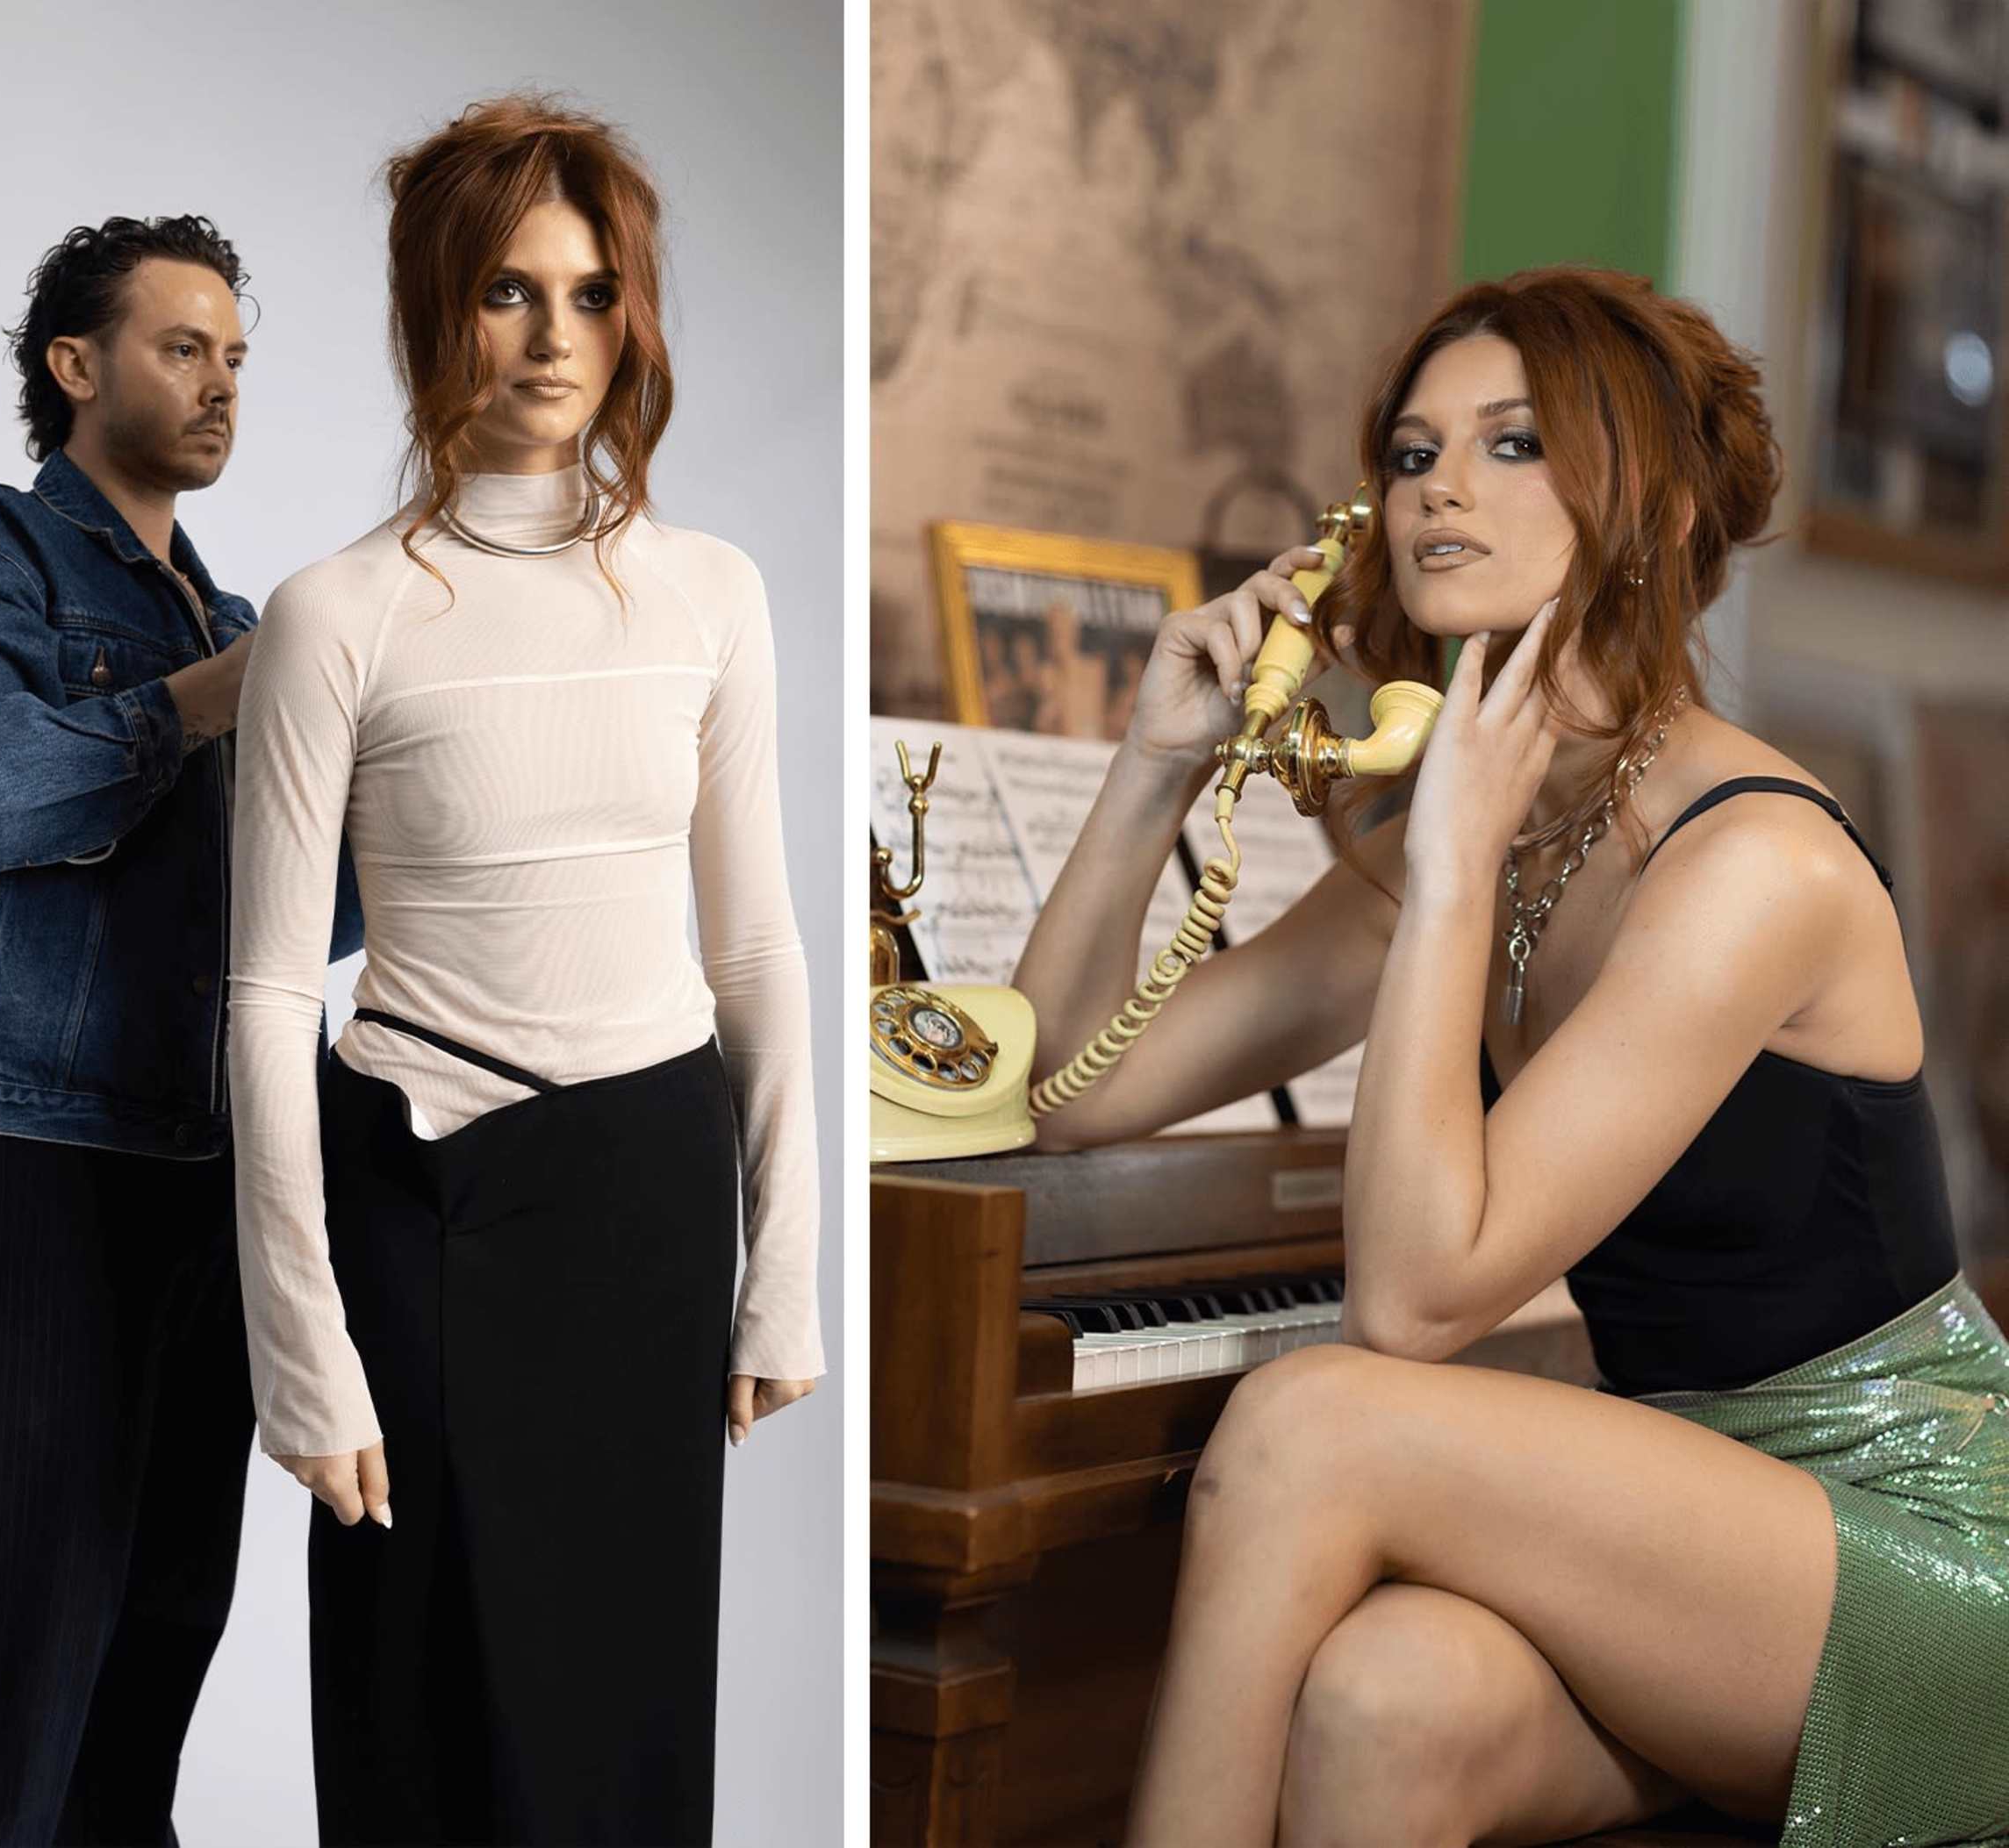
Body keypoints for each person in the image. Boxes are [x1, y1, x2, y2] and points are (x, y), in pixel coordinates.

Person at [1003, 269, 1996, 1845]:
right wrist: (1155, 768)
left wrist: (1450, 863)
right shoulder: (1461, 844)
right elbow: (1065, 1095)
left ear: (1653, 508)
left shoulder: (1756, 868)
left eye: (1514, 443)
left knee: (1312, 1417)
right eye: (1410, 454)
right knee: (1383, 1701)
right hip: (1675, 1528)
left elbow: (1411, 1304)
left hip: (1919, 1552)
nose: (1440, 486)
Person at [227, 97, 821, 1844]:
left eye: (590, 290)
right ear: (436, 313)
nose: (554, 335)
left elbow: (759, 947)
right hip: (414, 1198)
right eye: (508, 291)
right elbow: (268, 996)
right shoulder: (337, 613)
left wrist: (789, 1265)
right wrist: (298, 1342)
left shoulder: (712, 593)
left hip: (640, 1200)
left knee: (616, 1734)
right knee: (415, 1739)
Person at [0, 211, 355, 1845]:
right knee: (22, 1640)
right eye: (184, 347)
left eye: (237, 357)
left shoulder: (231, 614)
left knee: (160, 1635)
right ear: (76, 363)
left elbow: (289, 925)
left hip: (216, 1174)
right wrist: (203, 702)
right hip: (35, 1161)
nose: (220, 387)